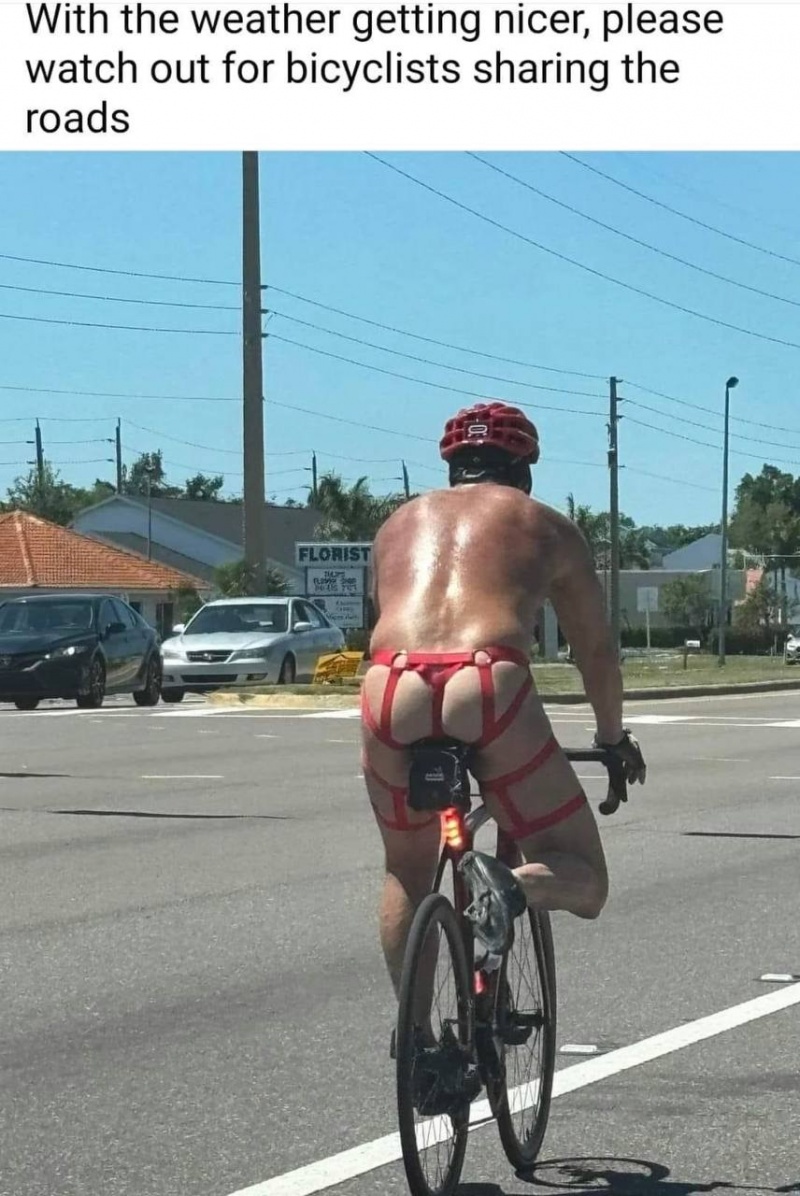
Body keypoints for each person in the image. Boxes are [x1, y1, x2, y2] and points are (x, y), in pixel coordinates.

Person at [361, 400, 646, 1004]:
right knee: (584, 876)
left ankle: (419, 1040)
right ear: (524, 471)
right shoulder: (544, 523)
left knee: (406, 870)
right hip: (486, 680)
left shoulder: (396, 525)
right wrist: (612, 738)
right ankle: (511, 887)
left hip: (392, 683)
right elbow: (596, 652)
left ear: (452, 468)